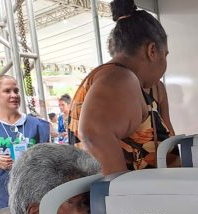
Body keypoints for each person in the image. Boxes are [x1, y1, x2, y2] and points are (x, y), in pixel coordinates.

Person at [69, 0, 172, 174]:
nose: (165, 63)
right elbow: (92, 134)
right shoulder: (119, 78)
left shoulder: (143, 85)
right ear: (152, 51)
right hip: (129, 198)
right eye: (165, 54)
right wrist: (121, 195)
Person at [0, 74, 51, 214]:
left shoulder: (37, 125)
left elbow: (48, 159)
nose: (13, 95)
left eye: (16, 91)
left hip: (32, 194)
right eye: (7, 91)